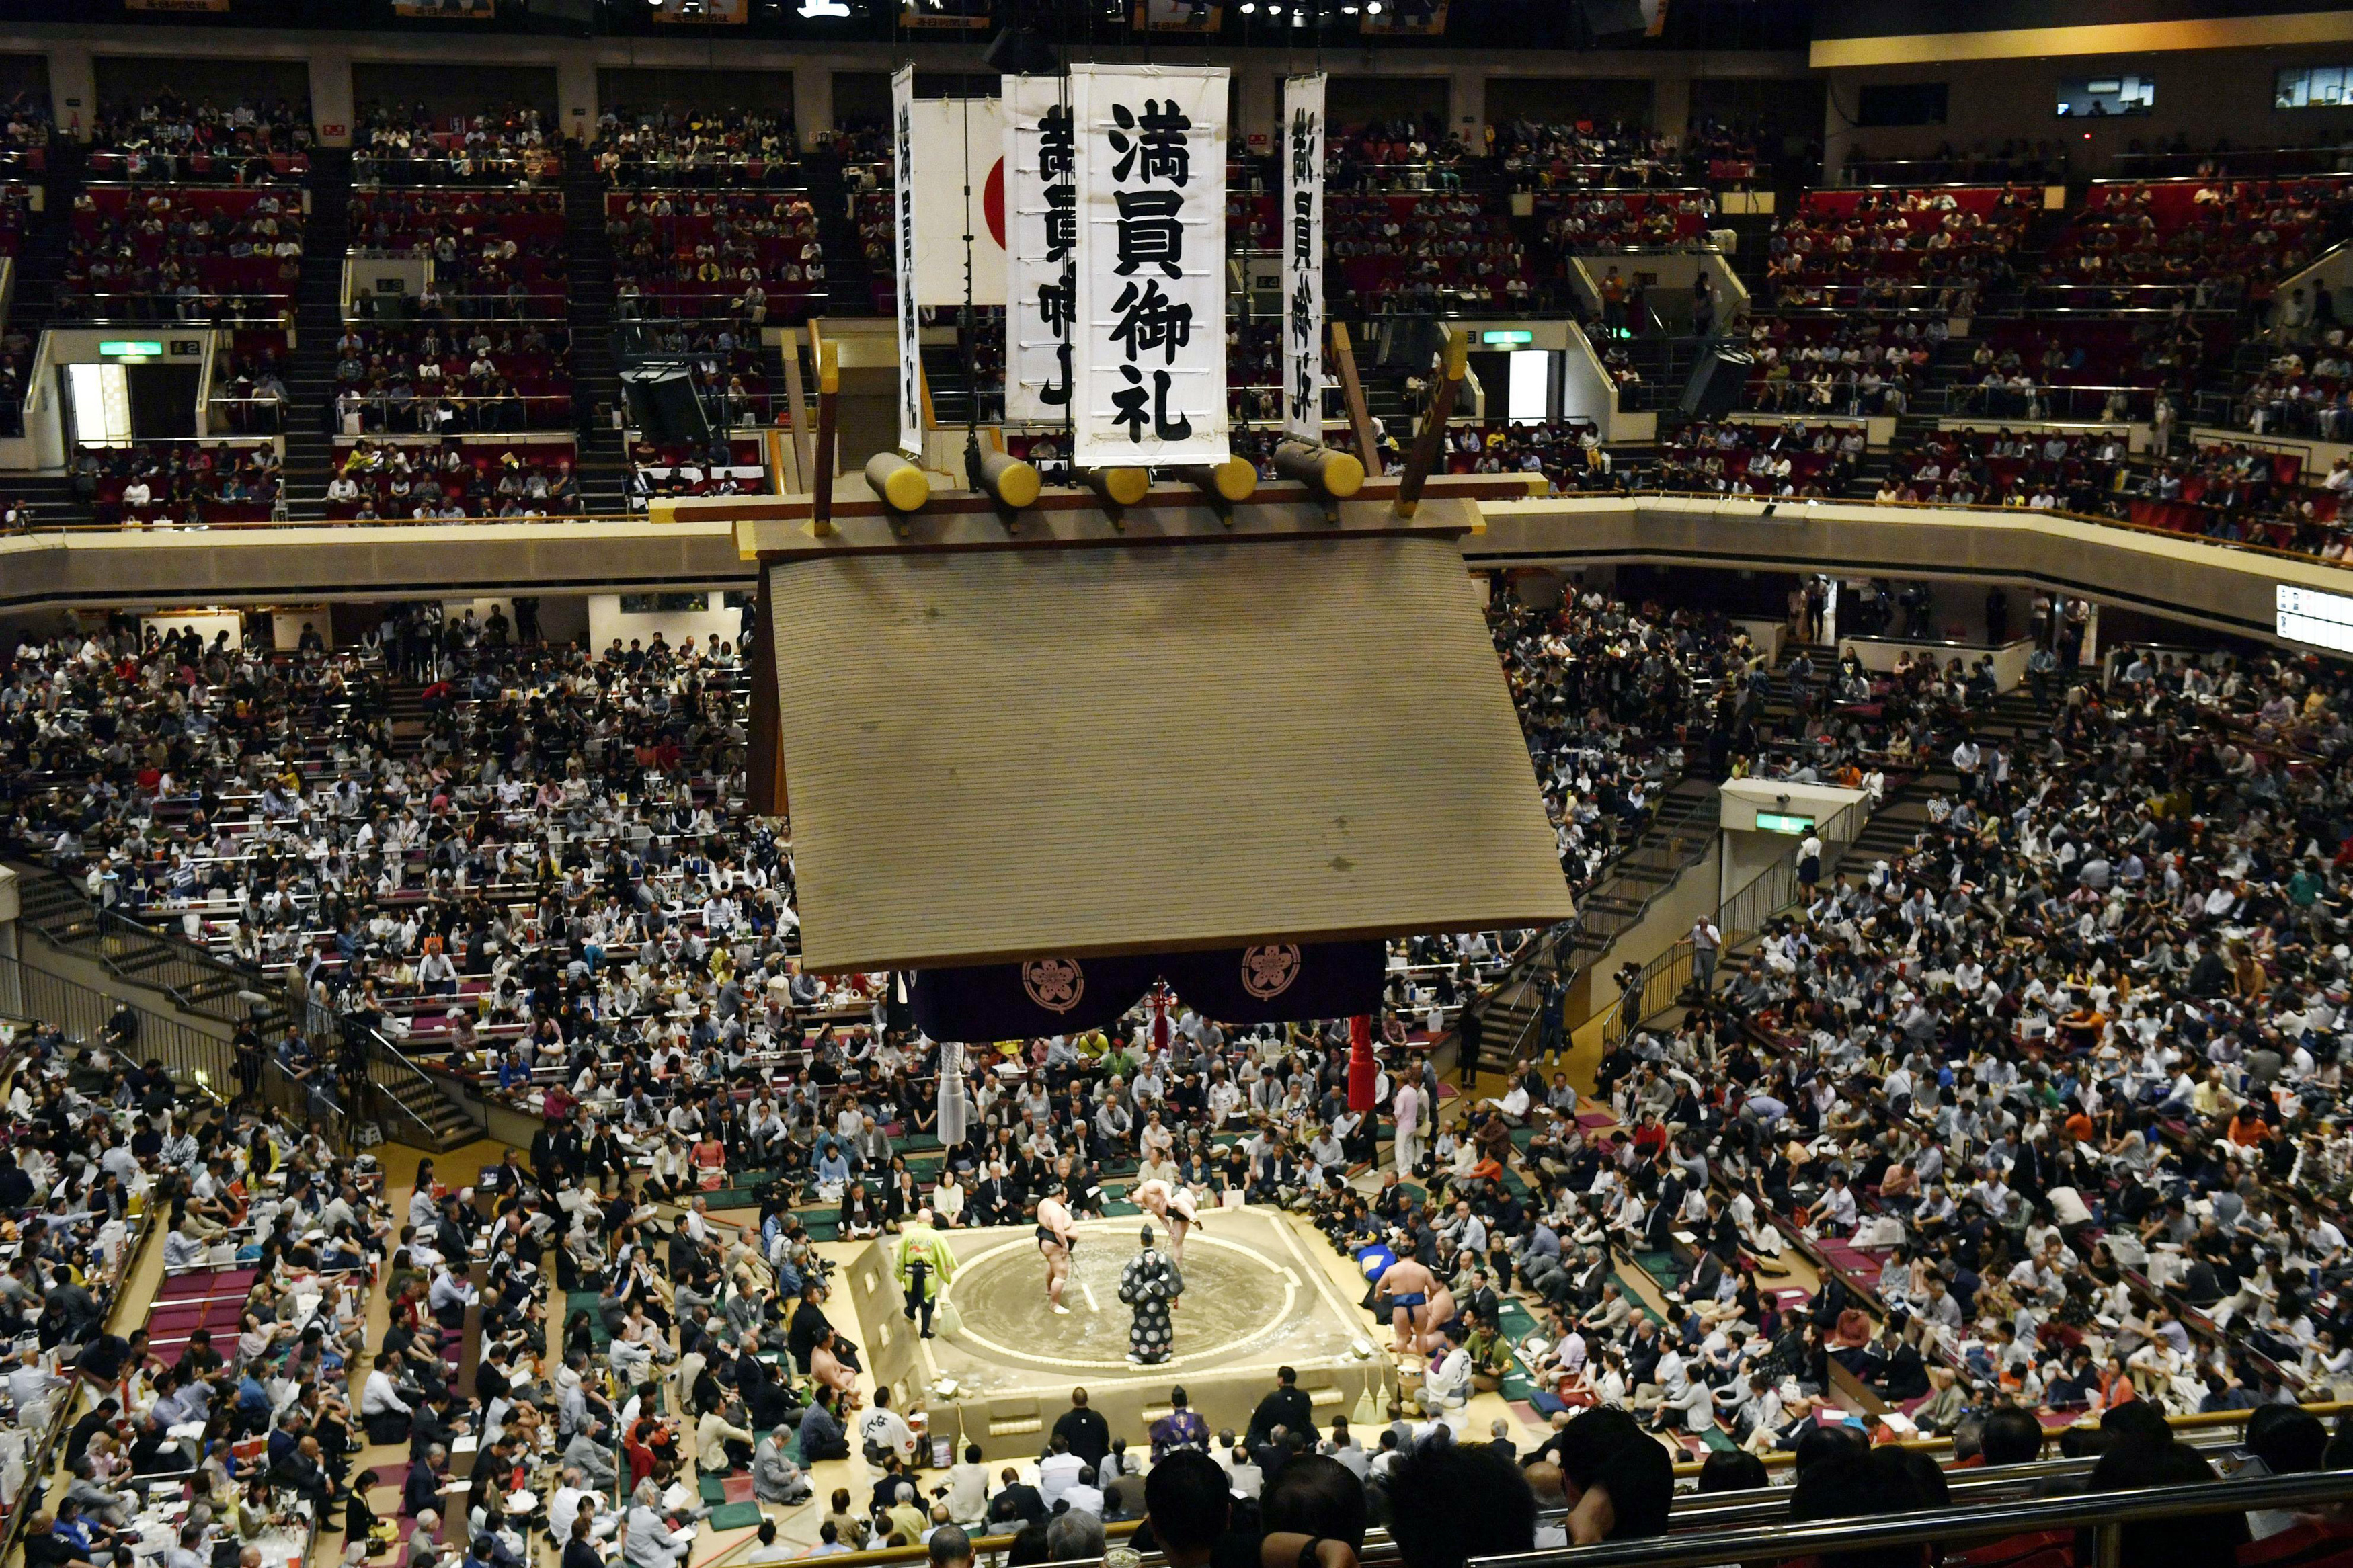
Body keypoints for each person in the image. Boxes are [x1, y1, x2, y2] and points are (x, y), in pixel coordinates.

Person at [1117, 1224, 1183, 1366]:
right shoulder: (1163, 1259)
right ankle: (1164, 1352)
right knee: (1161, 1322)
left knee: (1142, 1324)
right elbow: (1175, 1278)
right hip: (1160, 1300)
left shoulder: (1137, 1261)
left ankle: (1139, 1355)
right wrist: (1161, 1289)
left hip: (1143, 1302)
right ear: (1153, 1240)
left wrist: (1142, 1291)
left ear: (1142, 1241)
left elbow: (1126, 1282)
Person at [893, 1208, 955, 1339]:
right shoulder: (936, 1236)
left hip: (910, 1274)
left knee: (911, 1294)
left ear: (917, 1221)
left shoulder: (907, 1234)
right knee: (928, 1303)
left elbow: (900, 1256)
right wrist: (948, 1276)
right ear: (932, 1220)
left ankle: (910, 1311)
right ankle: (924, 1331)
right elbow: (946, 1256)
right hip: (927, 1276)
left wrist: (899, 1274)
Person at [1132, 1177, 1203, 1269]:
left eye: (1132, 1199)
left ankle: (1193, 1217)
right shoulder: (1146, 1203)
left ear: (1135, 1193)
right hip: (1178, 1214)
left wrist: (1169, 1199)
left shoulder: (1147, 1185)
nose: (1134, 1202)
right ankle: (1176, 1271)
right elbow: (1160, 1216)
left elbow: (1164, 1185)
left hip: (1180, 1195)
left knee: (1177, 1201)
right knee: (1177, 1242)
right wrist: (1169, 1229)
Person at [1035, 1183, 1078, 1315]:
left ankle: (1049, 1289)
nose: (1066, 1197)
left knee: (1053, 1265)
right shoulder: (1055, 1210)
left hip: (1047, 1239)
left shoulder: (1044, 1202)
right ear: (1058, 1195)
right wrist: (1065, 1245)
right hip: (1054, 1243)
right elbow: (1059, 1231)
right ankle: (1054, 1304)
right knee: (1061, 1274)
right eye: (1064, 1195)